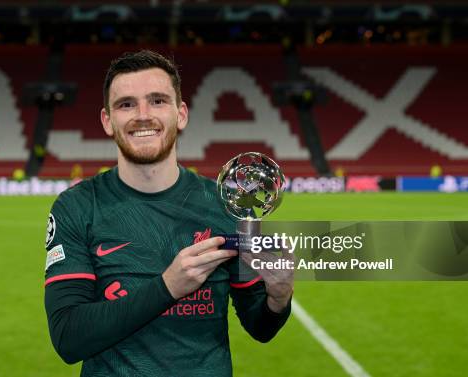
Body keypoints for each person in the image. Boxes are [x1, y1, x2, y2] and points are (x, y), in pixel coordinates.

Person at [44, 50, 294, 377]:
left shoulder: (225, 204)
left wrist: (278, 297)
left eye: (158, 101)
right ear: (107, 121)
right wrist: (168, 286)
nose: (143, 115)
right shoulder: (77, 206)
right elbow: (68, 338)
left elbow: (260, 327)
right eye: (126, 104)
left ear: (181, 114)